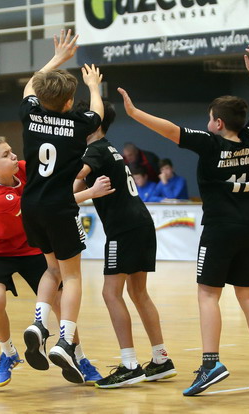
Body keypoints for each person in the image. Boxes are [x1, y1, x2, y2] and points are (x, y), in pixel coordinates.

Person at [118, 44, 249, 396]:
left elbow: (170, 130)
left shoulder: (210, 143)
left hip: (219, 229)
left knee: (208, 294)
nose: (208, 122)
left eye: (210, 117)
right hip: (247, 228)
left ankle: (211, 363)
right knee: (248, 294)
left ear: (218, 123)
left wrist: (134, 112)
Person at [0, 136, 110, 387]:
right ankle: (8, 353)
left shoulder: (23, 169)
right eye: (6, 155)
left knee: (60, 301)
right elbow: (48, 206)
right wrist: (91, 193)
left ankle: (78, 357)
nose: (14, 156)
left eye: (11, 151)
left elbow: (55, 186)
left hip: (30, 247)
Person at [19, 29, 104, 384]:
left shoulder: (30, 114)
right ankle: (66, 340)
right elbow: (97, 113)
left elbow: (30, 86)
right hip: (59, 207)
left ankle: (39, 324)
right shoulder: (77, 123)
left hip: (31, 206)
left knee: (51, 270)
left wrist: (57, 59)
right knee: (71, 276)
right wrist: (94, 86)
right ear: (70, 102)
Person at [74, 99, 177, 388]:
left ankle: (130, 364)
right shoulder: (108, 148)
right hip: (140, 223)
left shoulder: (94, 150)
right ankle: (161, 359)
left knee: (110, 293)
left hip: (124, 229)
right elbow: (75, 188)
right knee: (138, 293)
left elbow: (73, 177)